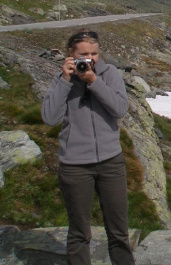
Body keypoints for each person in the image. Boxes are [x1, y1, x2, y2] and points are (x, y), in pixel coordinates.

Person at [41, 30, 135, 265]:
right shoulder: (60, 80)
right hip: (74, 166)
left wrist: (94, 82)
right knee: (79, 233)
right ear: (70, 54)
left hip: (111, 162)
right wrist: (65, 81)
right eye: (84, 54)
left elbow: (120, 109)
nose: (90, 59)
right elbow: (50, 118)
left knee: (119, 231)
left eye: (94, 53)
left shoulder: (109, 73)